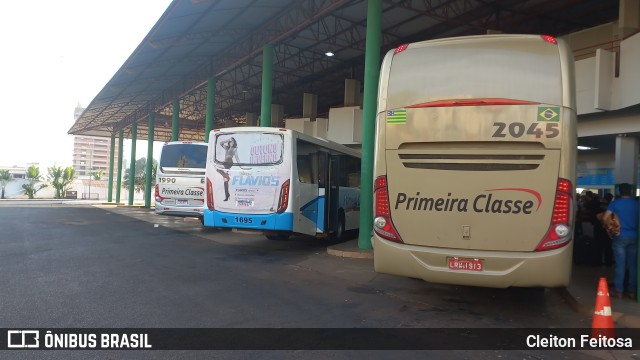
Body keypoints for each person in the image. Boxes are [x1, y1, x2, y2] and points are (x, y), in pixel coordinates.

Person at [602, 183, 639, 299]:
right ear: (631, 191)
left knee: (620, 265)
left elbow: (604, 218)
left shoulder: (615, 204)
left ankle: (619, 292)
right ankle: (632, 292)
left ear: (619, 191)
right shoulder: (637, 204)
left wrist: (609, 228)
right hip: (634, 236)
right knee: (633, 265)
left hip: (620, 236)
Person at [217, 137, 237, 201]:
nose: (231, 143)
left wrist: (242, 166)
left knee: (216, 167)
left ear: (234, 143)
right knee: (225, 181)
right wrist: (227, 140)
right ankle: (227, 195)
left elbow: (237, 157)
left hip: (229, 162)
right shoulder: (226, 148)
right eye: (230, 142)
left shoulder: (234, 149)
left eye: (233, 142)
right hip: (225, 162)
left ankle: (227, 176)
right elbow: (221, 143)